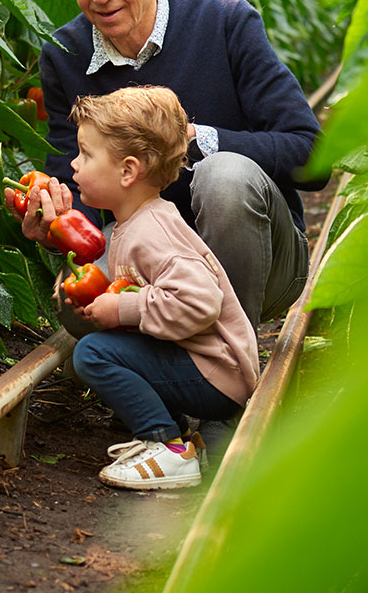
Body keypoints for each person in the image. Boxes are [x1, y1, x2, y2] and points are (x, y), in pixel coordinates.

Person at [18, 0, 324, 335]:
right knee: (73, 311)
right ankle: (171, 358)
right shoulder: (65, 54)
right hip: (148, 267)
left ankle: (226, 358)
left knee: (226, 176)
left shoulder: (224, 21)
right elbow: (72, 175)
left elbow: (314, 159)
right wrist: (56, 216)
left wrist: (200, 141)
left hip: (260, 261)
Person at [58, 86, 256, 490]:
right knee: (109, 346)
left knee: (92, 354)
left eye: (86, 154)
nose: (74, 164)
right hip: (207, 365)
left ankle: (166, 447)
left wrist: (121, 311)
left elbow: (200, 301)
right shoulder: (138, 222)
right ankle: (188, 439)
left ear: (128, 171)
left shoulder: (152, 232)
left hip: (217, 372)